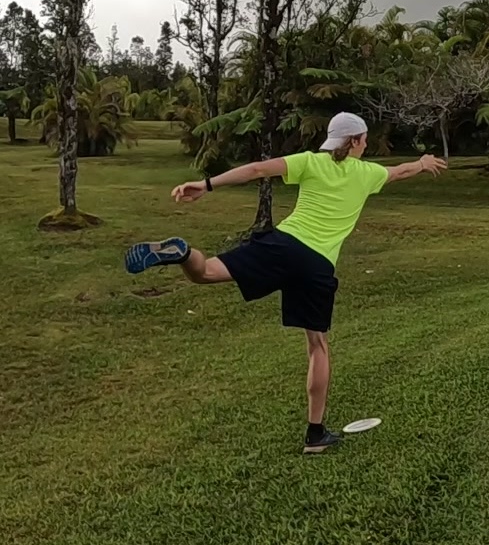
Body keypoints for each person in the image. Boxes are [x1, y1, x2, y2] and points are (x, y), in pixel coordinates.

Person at [124, 112, 447, 453]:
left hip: (284, 246)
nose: (366, 144)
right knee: (317, 346)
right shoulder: (368, 173)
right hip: (318, 265)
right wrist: (423, 162)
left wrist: (205, 186)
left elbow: (257, 170)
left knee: (206, 273)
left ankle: (183, 252)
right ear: (353, 141)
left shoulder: (310, 162)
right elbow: (401, 172)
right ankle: (315, 434)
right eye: (364, 138)